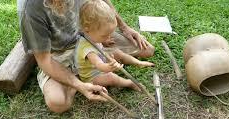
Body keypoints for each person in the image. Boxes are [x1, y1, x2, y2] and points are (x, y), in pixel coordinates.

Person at [17, 0, 155, 113]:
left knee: (147, 50)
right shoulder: (30, 8)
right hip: (58, 53)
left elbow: (101, 3)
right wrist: (78, 85)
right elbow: (44, 60)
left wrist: (124, 27)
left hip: (90, 35)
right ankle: (79, 77)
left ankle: (83, 72)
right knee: (58, 103)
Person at [76, 0, 154, 91]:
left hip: (102, 59)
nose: (108, 37)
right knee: (111, 77)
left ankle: (138, 63)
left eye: (110, 34)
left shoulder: (92, 35)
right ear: (87, 30)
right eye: (104, 35)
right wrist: (109, 67)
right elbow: (99, 65)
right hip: (93, 76)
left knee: (117, 52)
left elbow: (100, 46)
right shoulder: (86, 48)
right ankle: (129, 83)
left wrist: (104, 40)